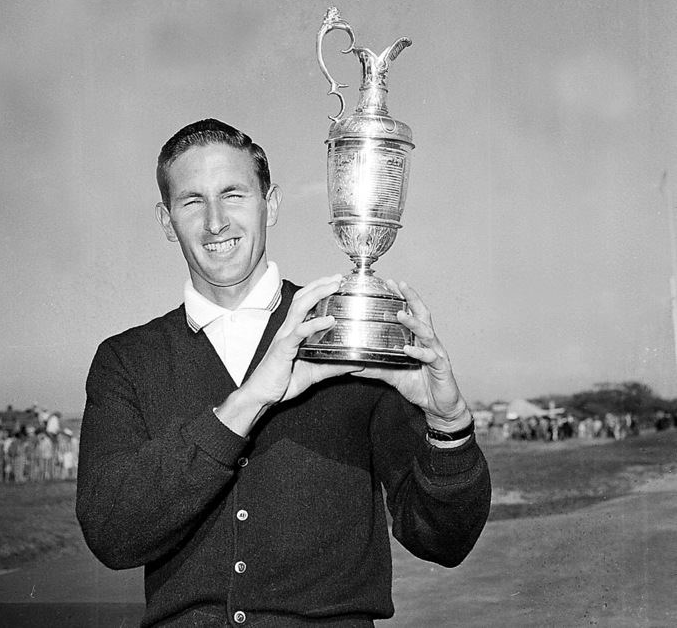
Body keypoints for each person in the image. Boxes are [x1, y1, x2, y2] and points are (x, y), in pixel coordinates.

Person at [76, 119, 491, 627]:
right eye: (192, 202)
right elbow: (112, 534)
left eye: (233, 195)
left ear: (270, 203)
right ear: (166, 221)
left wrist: (448, 425)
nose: (215, 222)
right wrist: (246, 403)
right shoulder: (126, 360)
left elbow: (443, 541)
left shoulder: (346, 335)